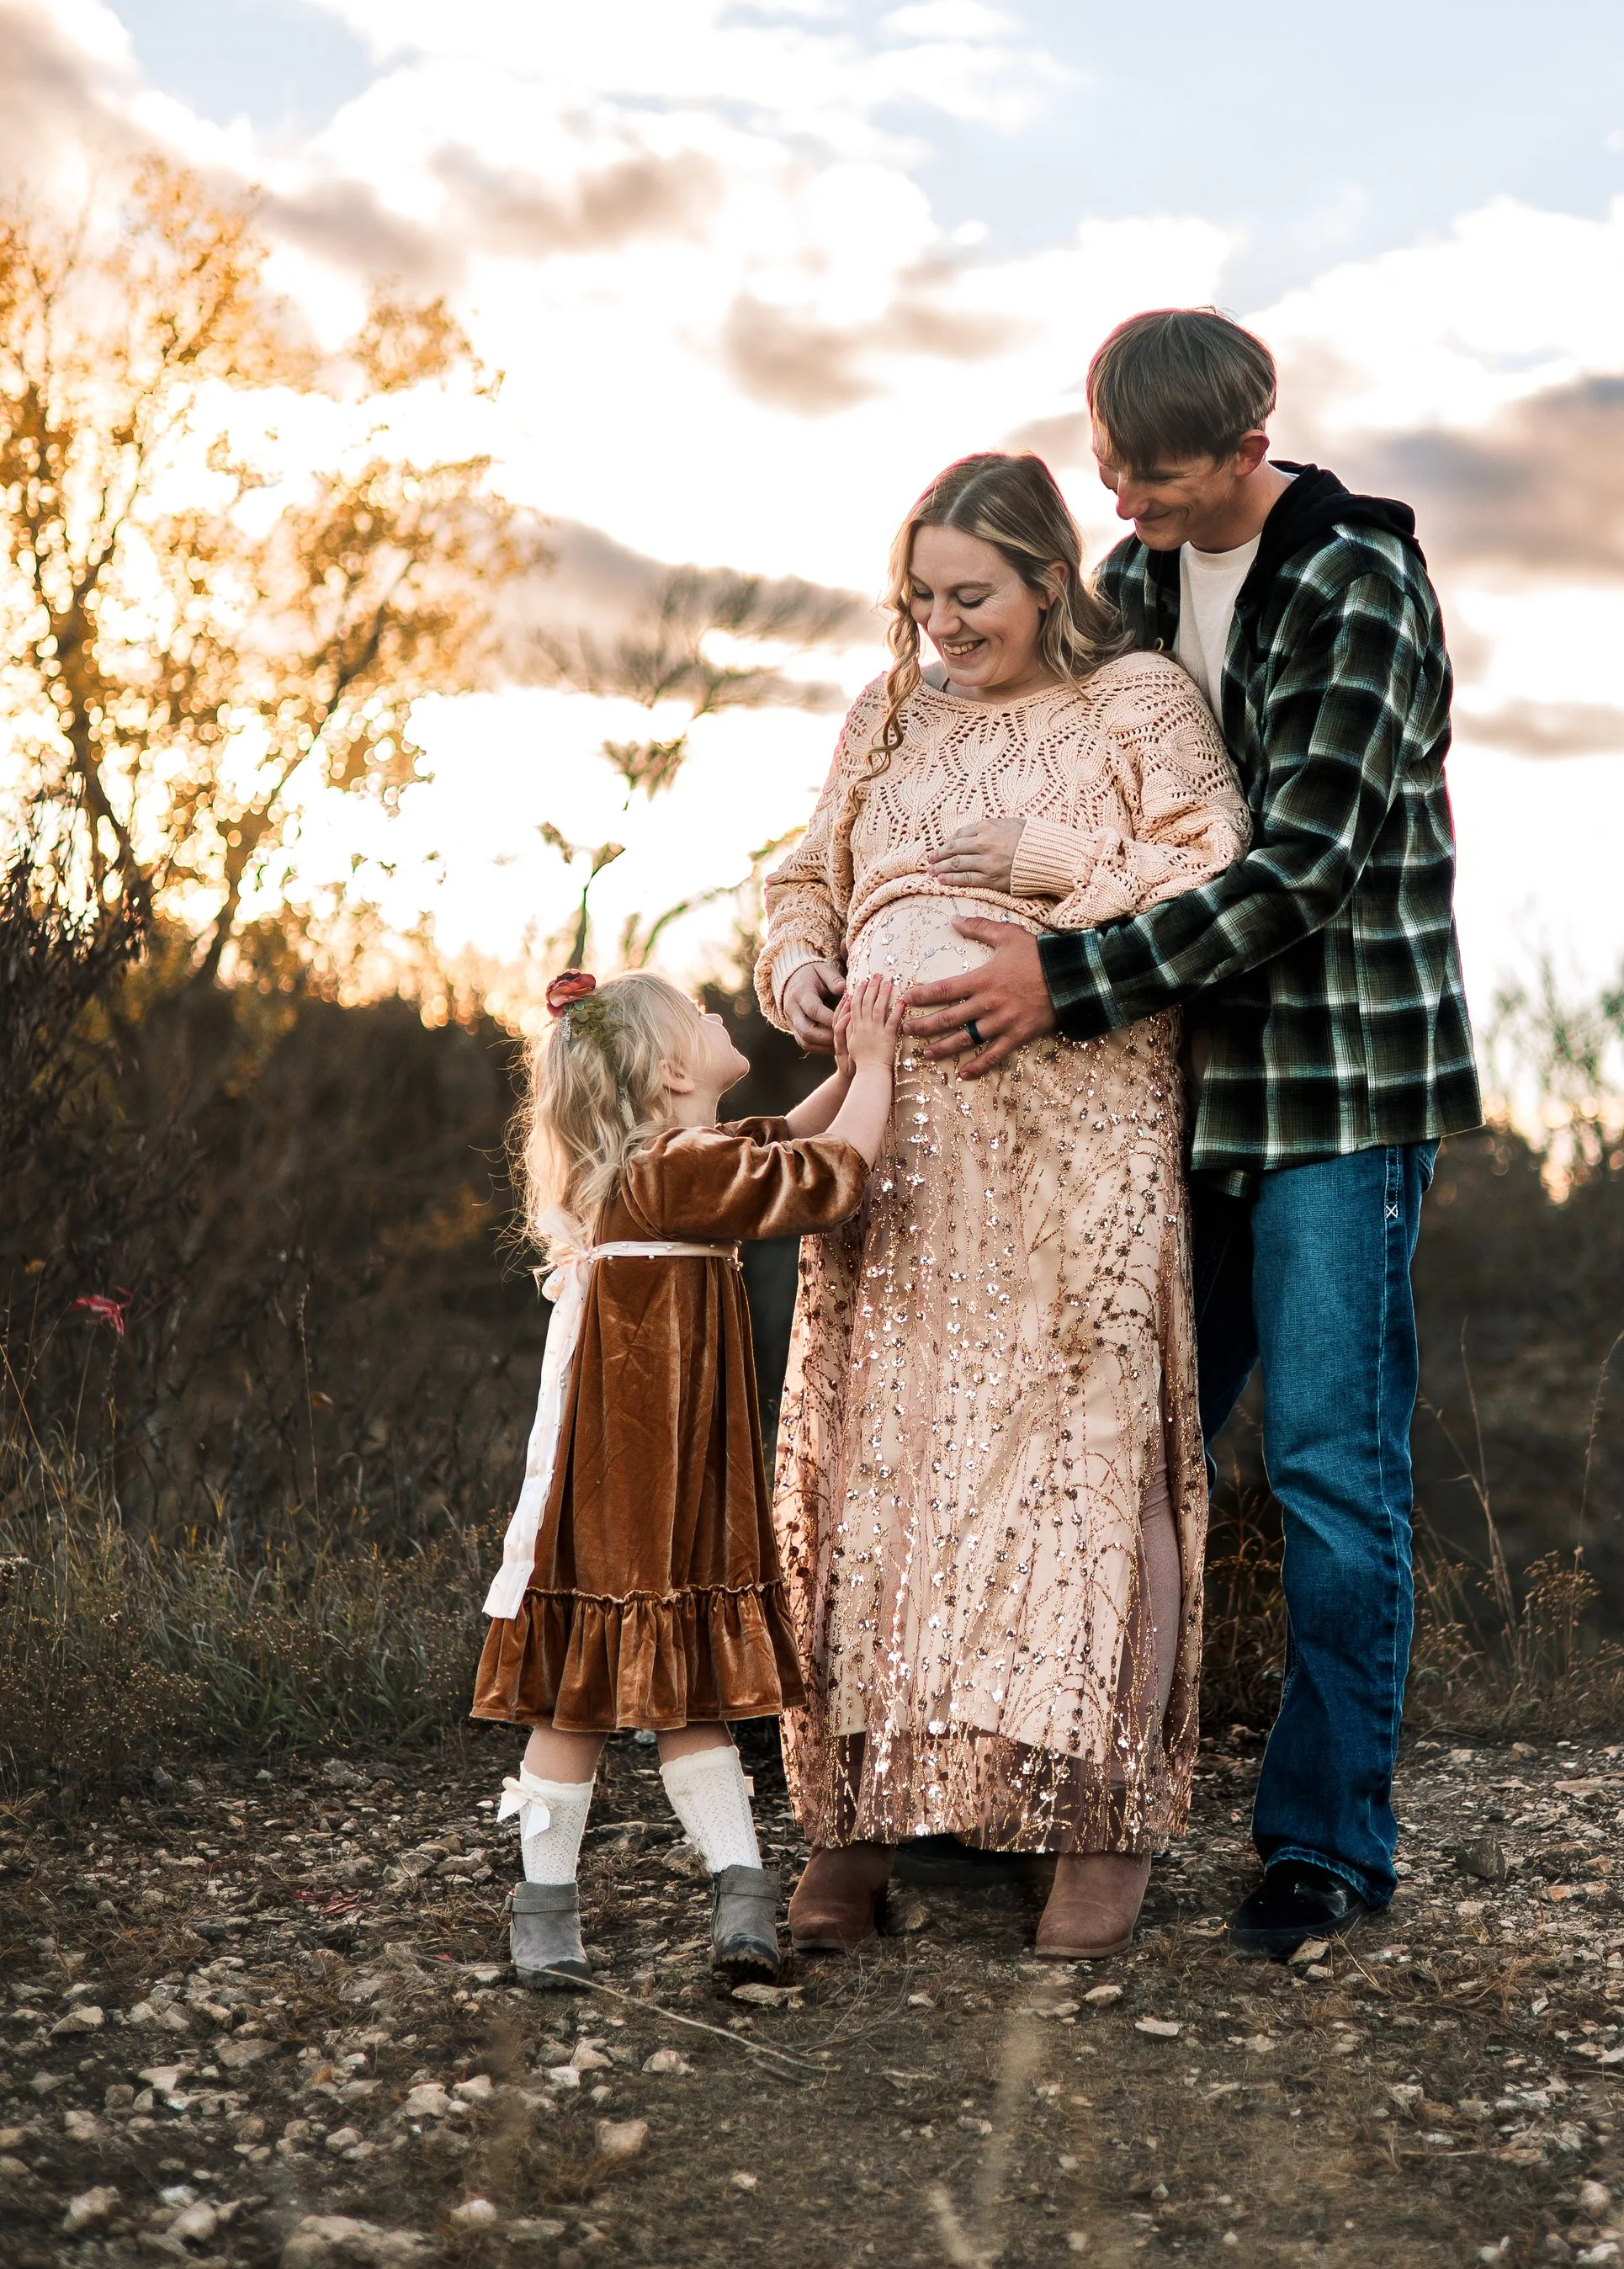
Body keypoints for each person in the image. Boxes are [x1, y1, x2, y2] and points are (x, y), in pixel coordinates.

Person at [908, 311, 1481, 1959]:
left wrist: (1068, 979)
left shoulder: (1354, 582)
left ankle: (1322, 1847)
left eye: (1154, 480)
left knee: (1321, 1470)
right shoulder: (1140, 588)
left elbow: (1301, 874)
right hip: (1171, 1091)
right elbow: (1036, 769)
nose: (1125, 506)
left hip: (1333, 1091)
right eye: (1107, 475)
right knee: (1104, 1455)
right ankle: (1037, 1797)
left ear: (1247, 447)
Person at [757, 451, 1248, 1959]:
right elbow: (802, 874)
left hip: (1076, 1128)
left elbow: (1215, 865)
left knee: (1080, 1444)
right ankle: (858, 1816)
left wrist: (1054, 865)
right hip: (895, 1144)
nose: (941, 626)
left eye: (970, 596)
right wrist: (801, 969)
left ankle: (1096, 1827)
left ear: (1050, 579)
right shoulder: (888, 712)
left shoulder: (1138, 700)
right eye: (920, 598)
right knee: (885, 1453)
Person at [471, 963, 903, 1988]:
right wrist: (879, 1067)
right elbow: (827, 1177)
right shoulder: (672, 1175)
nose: (722, 1015)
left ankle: (732, 1905)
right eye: (702, 1017)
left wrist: (842, 1071)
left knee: (653, 1702)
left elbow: (776, 1143)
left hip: (646, 1490)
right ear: (672, 1071)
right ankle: (558, 1913)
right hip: (638, 1493)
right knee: (590, 1708)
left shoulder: (672, 1164)